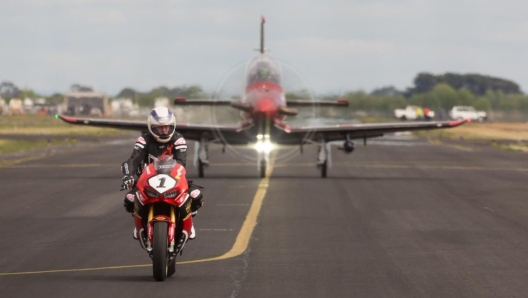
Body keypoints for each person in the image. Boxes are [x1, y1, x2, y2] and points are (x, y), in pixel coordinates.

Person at [121, 106, 204, 240]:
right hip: (146, 183)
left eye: (167, 127)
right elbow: (132, 160)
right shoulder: (144, 140)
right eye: (160, 128)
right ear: (151, 127)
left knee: (196, 196)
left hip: (175, 180)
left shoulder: (178, 140)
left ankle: (189, 219)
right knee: (129, 199)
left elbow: (181, 164)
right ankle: (140, 225)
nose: (164, 130)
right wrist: (128, 175)